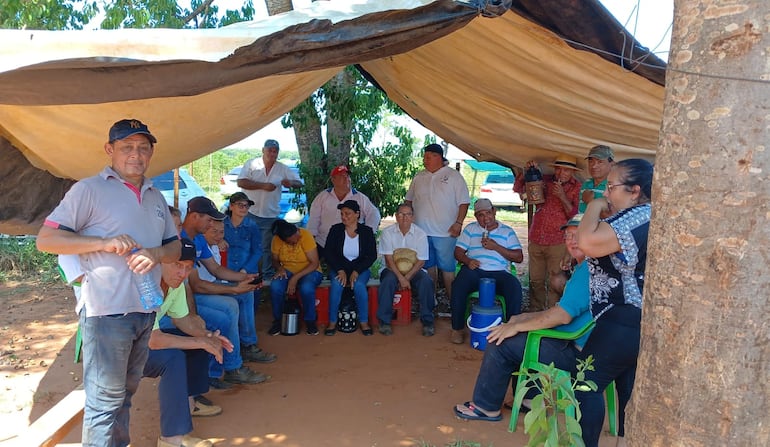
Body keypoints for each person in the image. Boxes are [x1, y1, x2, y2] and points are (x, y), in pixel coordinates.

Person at [36, 119, 181, 446]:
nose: (136, 155)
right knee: (104, 403)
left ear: (151, 152)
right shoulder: (89, 189)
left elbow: (175, 248)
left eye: (143, 148)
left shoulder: (156, 196)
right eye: (127, 147)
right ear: (109, 150)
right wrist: (101, 243)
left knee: (125, 396)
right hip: (106, 314)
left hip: (145, 311)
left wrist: (156, 254)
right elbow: (46, 240)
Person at [453, 213, 593, 422]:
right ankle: (529, 399)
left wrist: (518, 326)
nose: (571, 242)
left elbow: (563, 316)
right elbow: (563, 311)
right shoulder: (588, 265)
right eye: (568, 236)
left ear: (592, 237)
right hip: (573, 341)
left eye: (577, 236)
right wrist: (522, 319)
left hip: (575, 352)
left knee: (500, 342)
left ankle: (486, 407)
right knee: (517, 327)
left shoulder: (587, 271)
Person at [575, 158, 653, 447]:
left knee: (585, 385)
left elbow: (588, 243)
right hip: (628, 316)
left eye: (611, 187)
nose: (606, 192)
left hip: (625, 315)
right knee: (626, 388)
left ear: (634, 190)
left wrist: (594, 205)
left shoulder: (636, 216)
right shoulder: (641, 214)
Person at [144, 238, 229, 447]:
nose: (182, 273)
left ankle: (190, 407)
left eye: (188, 268)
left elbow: (182, 320)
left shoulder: (176, 285)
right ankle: (171, 439)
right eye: (177, 265)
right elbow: (153, 341)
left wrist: (207, 336)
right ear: (160, 262)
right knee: (172, 358)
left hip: (142, 344)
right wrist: (201, 341)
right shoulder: (146, 285)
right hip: (121, 351)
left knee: (197, 344)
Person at [181, 196, 272, 387]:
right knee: (229, 306)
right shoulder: (182, 239)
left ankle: (239, 354)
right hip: (183, 300)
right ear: (195, 216)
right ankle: (231, 367)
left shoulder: (197, 237)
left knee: (239, 298)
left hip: (194, 293)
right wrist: (233, 289)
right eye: (209, 220)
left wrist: (243, 279)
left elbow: (215, 269)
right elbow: (197, 285)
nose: (211, 224)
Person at [450, 198, 524, 344]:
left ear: (494, 212)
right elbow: (458, 252)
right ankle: (457, 329)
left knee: (514, 287)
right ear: (476, 216)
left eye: (488, 213)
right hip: (475, 270)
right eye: (481, 215)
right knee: (458, 285)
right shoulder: (471, 229)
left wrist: (496, 247)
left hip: (499, 273)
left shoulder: (507, 232)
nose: (485, 218)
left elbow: (519, 257)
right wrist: (468, 261)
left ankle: (511, 330)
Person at [513, 154, 580, 311]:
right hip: (536, 238)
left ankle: (551, 314)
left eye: (566, 170)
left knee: (554, 280)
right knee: (535, 280)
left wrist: (562, 196)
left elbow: (574, 216)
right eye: (558, 169)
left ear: (572, 172)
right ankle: (536, 312)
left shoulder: (577, 187)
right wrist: (527, 171)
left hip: (558, 241)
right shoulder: (546, 181)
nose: (561, 173)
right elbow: (518, 189)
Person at [405, 143, 470, 303]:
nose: (424, 160)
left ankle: (453, 302)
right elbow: (409, 200)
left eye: (428, 157)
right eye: (424, 157)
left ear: (438, 157)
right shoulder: (419, 176)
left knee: (448, 269)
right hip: (421, 233)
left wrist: (458, 223)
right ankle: (431, 301)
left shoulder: (454, 176)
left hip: (446, 232)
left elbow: (464, 202)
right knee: (428, 268)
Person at [237, 139, 303, 276]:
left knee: (266, 247)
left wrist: (290, 182)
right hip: (250, 212)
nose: (272, 153)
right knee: (246, 244)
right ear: (263, 150)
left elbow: (299, 183)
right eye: (270, 150)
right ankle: (246, 273)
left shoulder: (282, 168)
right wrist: (262, 186)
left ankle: (266, 274)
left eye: (275, 151)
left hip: (269, 214)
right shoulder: (252, 164)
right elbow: (241, 182)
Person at [376, 202, 435, 336]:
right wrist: (401, 278)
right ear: (396, 216)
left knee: (426, 281)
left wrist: (406, 278)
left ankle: (428, 321)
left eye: (408, 214)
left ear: (413, 217)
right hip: (392, 269)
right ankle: (384, 321)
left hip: (414, 269)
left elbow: (421, 260)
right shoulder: (387, 233)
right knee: (388, 281)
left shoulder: (420, 234)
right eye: (401, 214)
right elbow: (389, 259)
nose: (404, 217)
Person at [323, 200, 378, 336]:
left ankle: (364, 322)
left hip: (360, 268)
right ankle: (332, 321)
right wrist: (340, 270)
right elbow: (328, 253)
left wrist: (357, 271)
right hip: (339, 268)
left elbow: (371, 256)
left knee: (359, 285)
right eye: (342, 214)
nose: (344, 217)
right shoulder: (335, 230)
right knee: (337, 285)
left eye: (347, 214)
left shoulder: (366, 232)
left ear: (357, 214)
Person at [307, 165, 381, 261]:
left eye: (347, 176)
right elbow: (314, 218)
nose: (346, 179)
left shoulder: (359, 197)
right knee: (313, 267)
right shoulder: (323, 197)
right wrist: (311, 239)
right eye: (342, 176)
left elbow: (374, 213)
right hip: (323, 242)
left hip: (352, 243)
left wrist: (367, 233)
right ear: (333, 180)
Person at [269, 219, 324, 336]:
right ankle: (278, 321)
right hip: (287, 269)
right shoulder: (277, 240)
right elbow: (274, 260)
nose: (298, 237)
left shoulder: (305, 235)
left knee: (306, 287)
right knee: (275, 287)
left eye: (297, 233)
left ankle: (310, 321)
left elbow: (314, 263)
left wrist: (295, 279)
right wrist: (279, 268)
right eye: (293, 239)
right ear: (286, 240)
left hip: (310, 270)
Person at [579, 145, 615, 213]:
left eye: (600, 162)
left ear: (612, 164)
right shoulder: (586, 183)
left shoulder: (613, 187)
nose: (594, 166)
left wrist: (590, 203)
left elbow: (612, 219)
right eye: (591, 161)